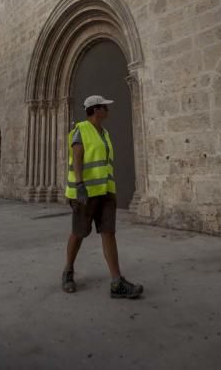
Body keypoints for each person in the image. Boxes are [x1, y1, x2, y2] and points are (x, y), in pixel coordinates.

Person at [62, 94, 143, 299]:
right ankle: (68, 272)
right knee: (78, 233)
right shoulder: (81, 129)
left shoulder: (104, 133)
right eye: (105, 107)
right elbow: (77, 157)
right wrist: (80, 185)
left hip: (106, 191)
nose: (108, 110)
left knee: (108, 233)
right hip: (86, 193)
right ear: (96, 110)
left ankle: (117, 282)